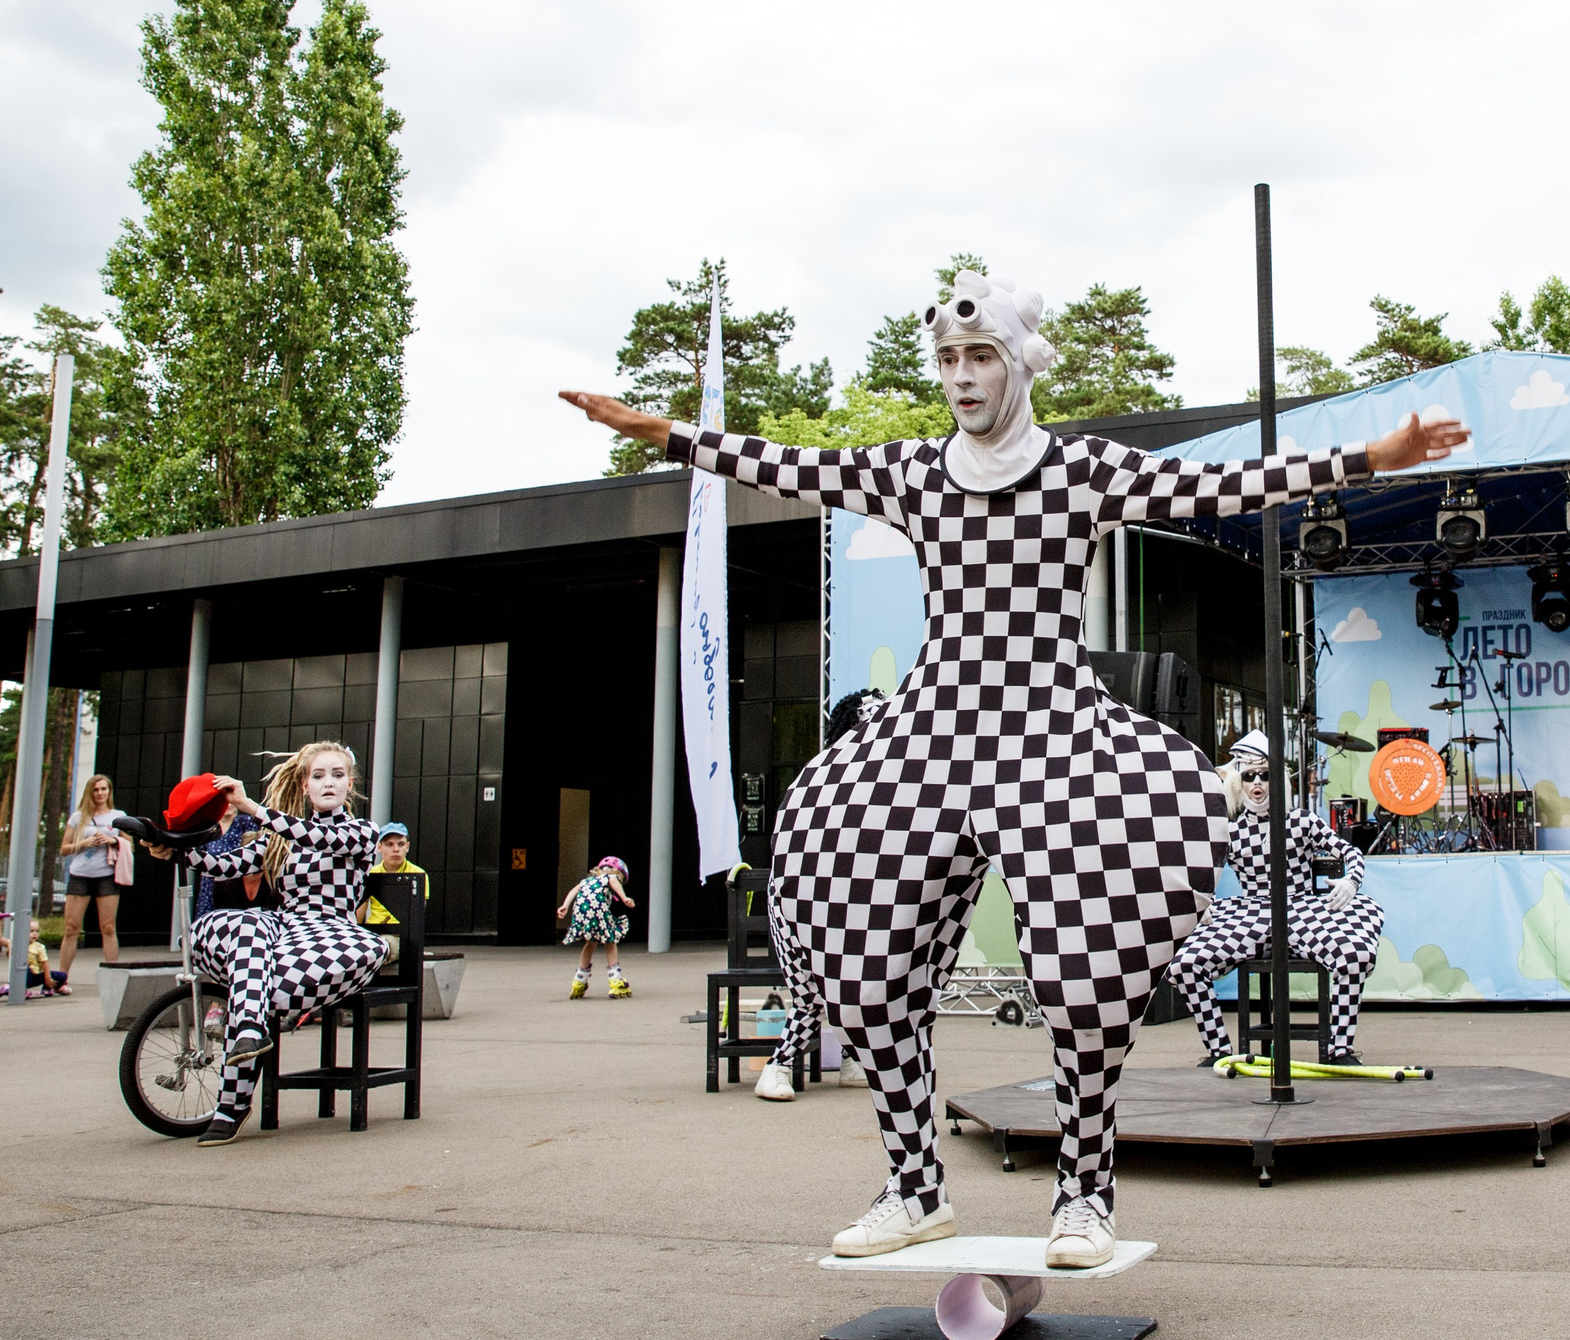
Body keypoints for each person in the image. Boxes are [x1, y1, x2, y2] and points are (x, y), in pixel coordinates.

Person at [562, 267, 1466, 1269]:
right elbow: (793, 465)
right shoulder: (911, 472)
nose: (959, 377)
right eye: (947, 359)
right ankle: (912, 1185)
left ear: (1016, 363)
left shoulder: (1080, 470)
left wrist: (1369, 457)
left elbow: (1220, 486)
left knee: (1081, 972)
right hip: (935, 726)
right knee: (864, 961)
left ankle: (1085, 1191)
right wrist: (665, 434)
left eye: (978, 356)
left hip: (1052, 727)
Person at [143, 743, 388, 1147]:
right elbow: (225, 866)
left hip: (332, 936)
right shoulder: (280, 839)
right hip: (283, 930)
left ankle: (231, 1105)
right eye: (319, 776)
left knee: (250, 984)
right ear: (305, 786)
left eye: (338, 775)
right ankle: (250, 1032)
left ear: (351, 784)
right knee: (246, 925)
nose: (329, 783)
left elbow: (315, 836)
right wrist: (175, 851)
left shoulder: (361, 832)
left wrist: (253, 809)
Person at [1168, 731, 1384, 1067]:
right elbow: (1193, 869)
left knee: (1352, 954)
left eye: (1265, 775)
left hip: (1301, 908)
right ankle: (1220, 1051)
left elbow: (1350, 851)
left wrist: (1351, 881)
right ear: (1239, 782)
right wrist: (1199, 900)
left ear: (1278, 780)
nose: (1257, 783)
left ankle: (1339, 1048)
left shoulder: (1301, 822)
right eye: (1249, 775)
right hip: (1250, 912)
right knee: (1183, 964)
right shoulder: (1231, 832)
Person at [753, 690, 882, 1102]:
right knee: (812, 993)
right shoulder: (817, 781)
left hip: (846, 906)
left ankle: (849, 1058)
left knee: (856, 986)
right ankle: (778, 1064)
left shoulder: (875, 785)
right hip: (799, 901)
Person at [54, 774, 129, 993]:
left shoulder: (118, 816)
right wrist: (86, 842)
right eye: (96, 790)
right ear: (90, 792)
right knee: (71, 928)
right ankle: (62, 979)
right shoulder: (78, 817)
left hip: (106, 875)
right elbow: (64, 848)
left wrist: (113, 840)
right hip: (80, 875)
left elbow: (129, 844)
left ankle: (114, 980)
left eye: (104, 789)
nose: (100, 793)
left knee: (108, 927)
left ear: (109, 791)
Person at [558, 857, 636, 998]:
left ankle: (579, 980)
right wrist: (624, 897)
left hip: (581, 911)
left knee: (591, 942)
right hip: (597, 910)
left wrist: (565, 906)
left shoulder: (586, 881)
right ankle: (615, 980)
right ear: (619, 873)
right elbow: (613, 881)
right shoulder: (611, 877)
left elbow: (572, 892)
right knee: (610, 941)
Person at [358, 822, 427, 928]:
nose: (396, 849)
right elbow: (358, 916)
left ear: (407, 847)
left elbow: (417, 916)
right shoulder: (369, 874)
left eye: (401, 844)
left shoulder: (419, 874)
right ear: (379, 847)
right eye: (389, 844)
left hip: (402, 933)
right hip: (374, 931)